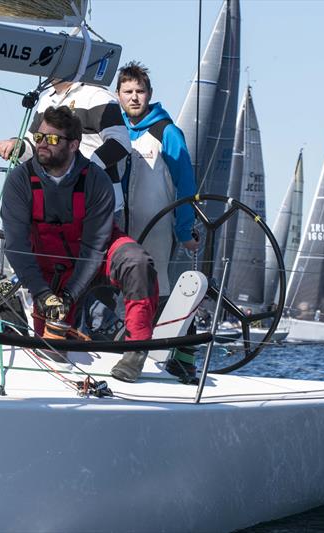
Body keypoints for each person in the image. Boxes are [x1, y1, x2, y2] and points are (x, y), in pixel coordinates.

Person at [1, 105, 158, 383]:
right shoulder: (19, 180)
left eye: (51, 139)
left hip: (95, 256)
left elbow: (95, 246)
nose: (41, 144)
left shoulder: (96, 179)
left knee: (137, 262)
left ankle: (135, 350)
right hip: (51, 269)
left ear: (73, 145)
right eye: (38, 138)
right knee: (50, 353)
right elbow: (15, 245)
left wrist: (71, 295)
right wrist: (43, 294)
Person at [116, 62, 201, 384]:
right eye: (128, 92)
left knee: (161, 289)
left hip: (159, 228)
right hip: (122, 226)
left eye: (140, 91)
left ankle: (184, 360)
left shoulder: (167, 132)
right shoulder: (115, 132)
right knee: (122, 288)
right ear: (118, 95)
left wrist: (183, 229)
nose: (134, 97)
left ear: (149, 94)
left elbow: (186, 184)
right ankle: (122, 344)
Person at [0, 79, 131, 213]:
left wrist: (85, 170)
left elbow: (120, 142)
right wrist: (16, 144)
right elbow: (33, 146)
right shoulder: (46, 100)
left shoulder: (97, 95)